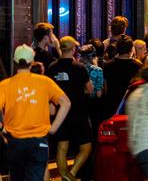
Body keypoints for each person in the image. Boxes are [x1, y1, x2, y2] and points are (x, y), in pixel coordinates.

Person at [0, 45, 71, 181]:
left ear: (14, 62)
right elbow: (66, 103)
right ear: (32, 62)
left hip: (15, 142)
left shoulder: (5, 85)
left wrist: (2, 127)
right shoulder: (45, 82)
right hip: (39, 141)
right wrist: (53, 128)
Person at [46, 36, 94, 181]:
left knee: (62, 147)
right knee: (86, 147)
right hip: (78, 113)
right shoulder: (79, 67)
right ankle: (71, 174)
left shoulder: (52, 67)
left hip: (60, 113)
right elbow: (90, 89)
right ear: (73, 49)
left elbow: (49, 91)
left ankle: (65, 175)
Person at [103, 35, 142, 118]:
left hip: (111, 105)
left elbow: (105, 88)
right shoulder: (138, 66)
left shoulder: (107, 65)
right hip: (131, 105)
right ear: (131, 49)